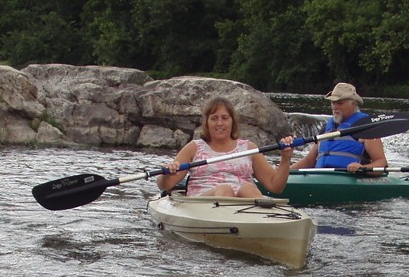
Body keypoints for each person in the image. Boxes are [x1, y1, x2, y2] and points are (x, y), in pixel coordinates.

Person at [156, 97, 294, 197]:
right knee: (225, 190)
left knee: (248, 189)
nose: (219, 123)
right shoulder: (194, 148)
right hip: (203, 204)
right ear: (207, 123)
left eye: (225, 118)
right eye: (214, 118)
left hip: (244, 207)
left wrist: (286, 158)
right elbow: (165, 185)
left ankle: (262, 225)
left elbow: (275, 186)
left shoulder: (249, 148)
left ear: (232, 122)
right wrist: (167, 175)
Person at [290, 82, 388, 174]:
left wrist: (363, 168)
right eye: (333, 103)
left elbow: (381, 162)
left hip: (349, 178)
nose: (334, 107)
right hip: (320, 177)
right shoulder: (326, 128)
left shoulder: (366, 126)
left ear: (353, 104)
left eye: (340, 103)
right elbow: (308, 161)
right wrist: (284, 171)